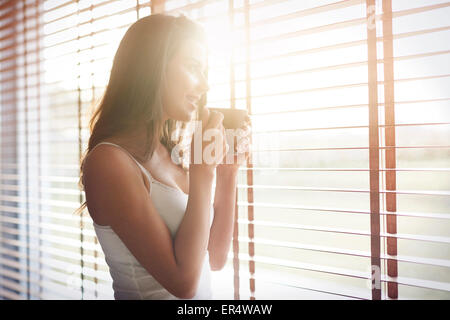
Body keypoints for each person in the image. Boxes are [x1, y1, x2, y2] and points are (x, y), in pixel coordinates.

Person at [77, 14, 251, 300]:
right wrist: (203, 171)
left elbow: (216, 257)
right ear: (153, 68)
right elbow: (183, 284)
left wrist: (228, 171)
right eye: (194, 67)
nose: (204, 85)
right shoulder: (109, 162)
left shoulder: (171, 153)